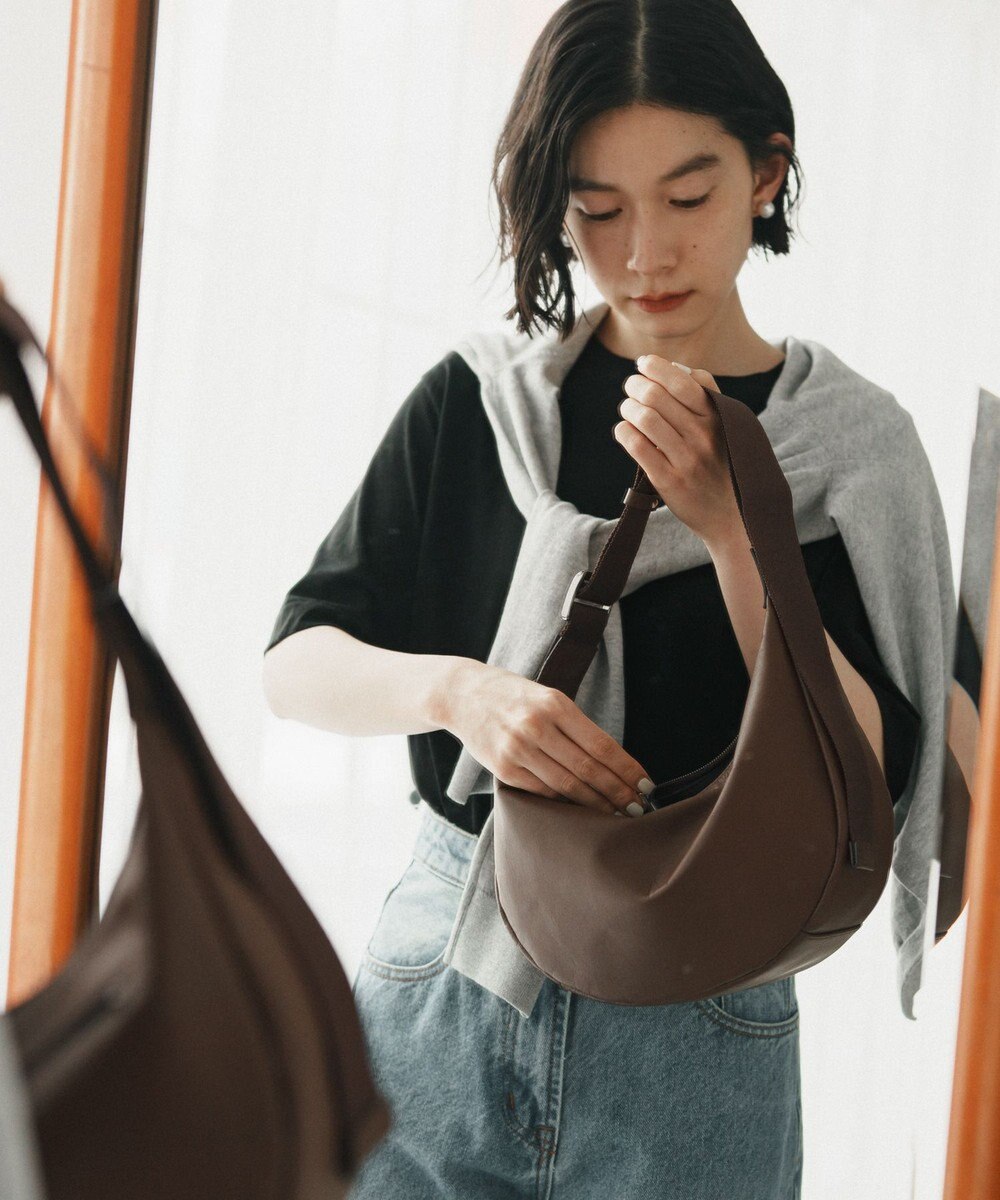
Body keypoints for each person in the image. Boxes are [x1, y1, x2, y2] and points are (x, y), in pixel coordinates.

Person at [262, 2, 921, 1195]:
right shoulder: (484, 400)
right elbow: (296, 662)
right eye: (597, 210)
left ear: (765, 172)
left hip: (701, 995)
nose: (643, 254)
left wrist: (733, 531)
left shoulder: (849, 448)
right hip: (444, 971)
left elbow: (864, 767)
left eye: (687, 196)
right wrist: (462, 697)